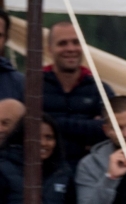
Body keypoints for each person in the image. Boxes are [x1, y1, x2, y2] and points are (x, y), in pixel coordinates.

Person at [39, 24, 111, 164]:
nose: (70, 49)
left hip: (88, 172)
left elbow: (111, 131)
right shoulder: (32, 86)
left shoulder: (100, 89)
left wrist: (52, 122)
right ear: (49, 50)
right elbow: (26, 128)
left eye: (76, 42)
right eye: (62, 43)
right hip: (42, 173)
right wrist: (89, 127)